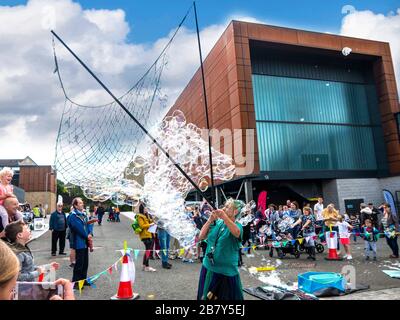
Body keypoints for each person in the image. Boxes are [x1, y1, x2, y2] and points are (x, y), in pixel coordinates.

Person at [197, 198, 244, 300]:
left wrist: (224, 217)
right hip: (208, 267)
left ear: (235, 211)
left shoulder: (238, 226)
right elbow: (201, 236)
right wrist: (210, 220)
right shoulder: (217, 223)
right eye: (224, 206)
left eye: (227, 207)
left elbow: (236, 233)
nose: (224, 208)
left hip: (226, 273)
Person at [68, 197, 92, 286]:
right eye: (80, 203)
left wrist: (90, 233)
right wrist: (87, 236)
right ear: (75, 205)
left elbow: (88, 225)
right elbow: (79, 229)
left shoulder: (83, 214)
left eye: (82, 203)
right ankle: (76, 282)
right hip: (78, 243)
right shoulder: (73, 216)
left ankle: (83, 280)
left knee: (85, 263)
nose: (82, 204)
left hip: (84, 242)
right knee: (79, 264)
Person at [137, 204, 156, 272]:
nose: (146, 210)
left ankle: (145, 266)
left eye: (147, 209)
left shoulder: (147, 215)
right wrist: (150, 224)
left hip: (150, 234)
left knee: (148, 250)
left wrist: (152, 220)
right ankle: (146, 266)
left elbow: (150, 221)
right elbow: (142, 226)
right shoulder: (140, 216)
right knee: (148, 250)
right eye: (145, 209)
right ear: (142, 209)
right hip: (145, 236)